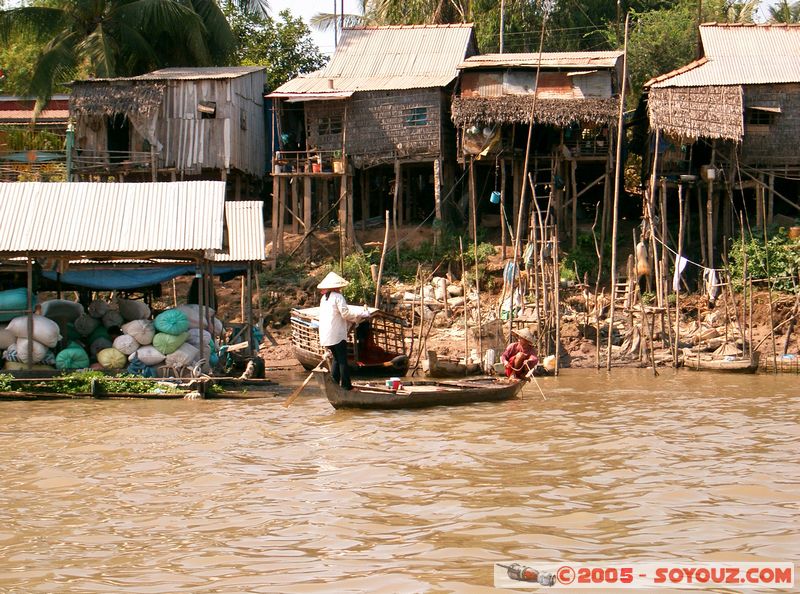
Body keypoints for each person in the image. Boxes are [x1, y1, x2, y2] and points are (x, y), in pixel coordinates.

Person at [317, 272, 370, 390]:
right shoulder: (338, 297)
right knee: (342, 360)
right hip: (336, 334)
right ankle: (346, 386)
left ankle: (334, 384)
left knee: (336, 359)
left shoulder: (324, 298)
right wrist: (362, 313)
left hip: (327, 335)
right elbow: (345, 314)